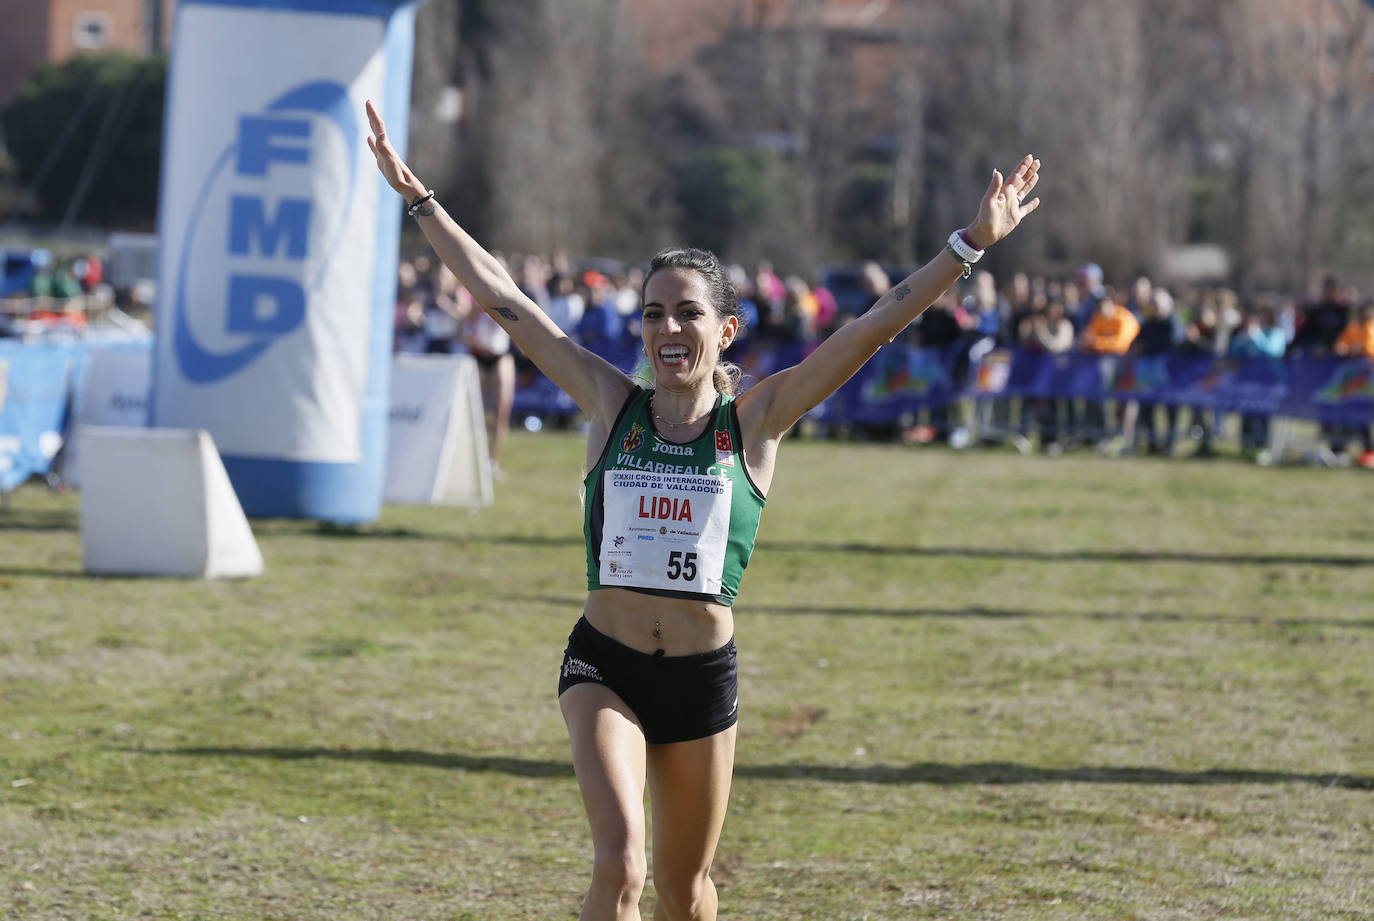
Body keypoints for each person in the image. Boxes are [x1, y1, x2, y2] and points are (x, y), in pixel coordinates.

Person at [366, 99, 1040, 921]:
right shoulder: (609, 402)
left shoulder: (755, 420)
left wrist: (966, 247)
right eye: (653, 312)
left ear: (725, 329)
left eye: (687, 312)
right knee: (620, 866)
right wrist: (419, 198)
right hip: (604, 665)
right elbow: (504, 298)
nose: (667, 327)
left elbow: (870, 327)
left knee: (686, 894)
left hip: (699, 679)